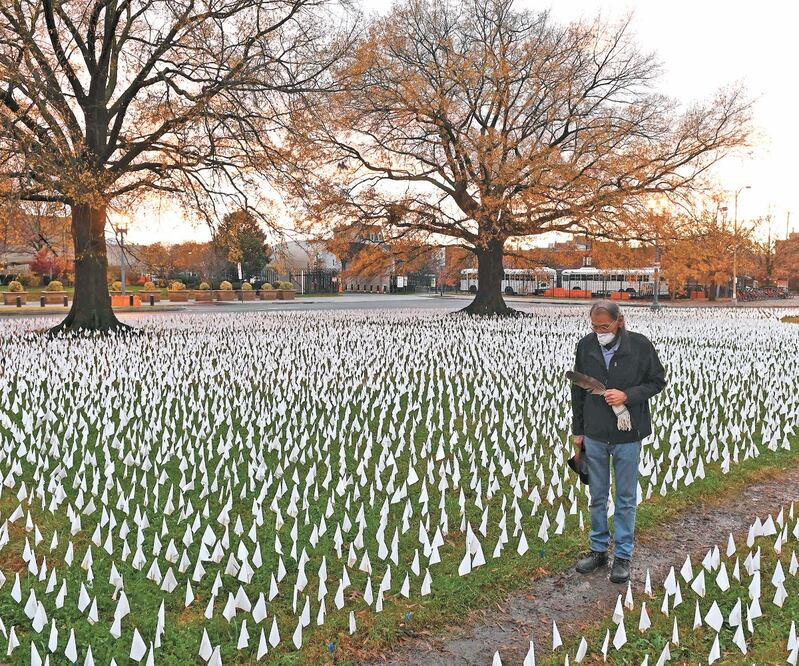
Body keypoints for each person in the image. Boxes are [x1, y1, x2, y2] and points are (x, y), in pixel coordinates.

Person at [571, 300, 666, 584]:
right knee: (597, 496)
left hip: (628, 434)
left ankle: (623, 555)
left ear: (619, 321)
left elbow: (657, 382)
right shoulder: (586, 346)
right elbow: (578, 387)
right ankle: (598, 550)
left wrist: (627, 396)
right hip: (596, 432)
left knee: (625, 498)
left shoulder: (639, 346)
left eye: (605, 326)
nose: (599, 331)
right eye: (594, 326)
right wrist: (579, 429)